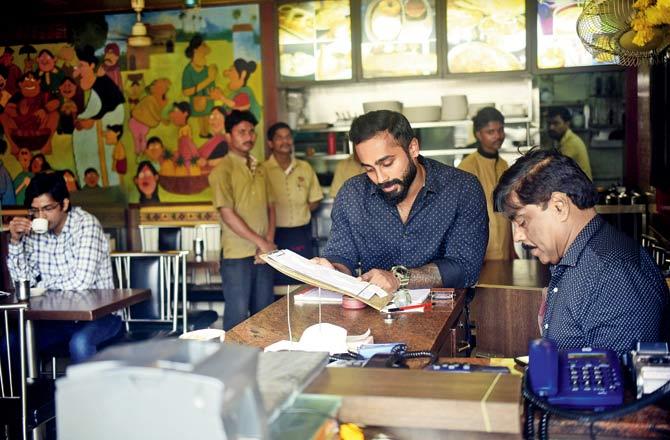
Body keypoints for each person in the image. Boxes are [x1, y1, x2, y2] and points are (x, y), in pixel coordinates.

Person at [493, 149, 668, 355]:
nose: (517, 236)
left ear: (559, 206)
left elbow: (613, 383)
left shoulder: (613, 275)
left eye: (522, 221)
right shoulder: (575, 258)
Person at [314, 110, 488, 293]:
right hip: (375, 316)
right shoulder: (352, 194)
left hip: (444, 313)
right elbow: (341, 255)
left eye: (387, 163)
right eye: (369, 169)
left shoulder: (462, 188)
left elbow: (465, 267)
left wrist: (398, 278)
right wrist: (332, 271)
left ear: (412, 148)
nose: (381, 178)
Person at [7, 173, 122, 362]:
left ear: (65, 204)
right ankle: (26, 393)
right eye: (35, 211)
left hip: (101, 317)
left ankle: (84, 393)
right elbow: (23, 285)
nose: (40, 216)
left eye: (47, 208)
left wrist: (43, 285)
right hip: (57, 320)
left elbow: (81, 281)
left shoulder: (86, 225)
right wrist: (16, 242)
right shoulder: (35, 232)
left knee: (80, 344)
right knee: (10, 344)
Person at [208, 110, 276, 330]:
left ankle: (265, 363)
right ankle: (234, 363)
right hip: (237, 255)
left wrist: (267, 242)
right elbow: (227, 213)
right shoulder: (222, 170)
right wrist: (261, 242)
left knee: (265, 313)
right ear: (228, 136)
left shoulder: (261, 167)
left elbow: (271, 207)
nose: (248, 137)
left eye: (251, 131)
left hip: (263, 254)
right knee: (237, 315)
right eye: (241, 132)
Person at [261, 122, 323, 284]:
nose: (285, 141)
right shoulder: (262, 170)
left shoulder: (305, 167)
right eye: (279, 138)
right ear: (270, 143)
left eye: (288, 137)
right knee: (276, 284)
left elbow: (316, 198)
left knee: (303, 282)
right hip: (274, 235)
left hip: (301, 234)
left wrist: (301, 212)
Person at [458, 107, 514, 260]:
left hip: (505, 253)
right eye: (491, 132)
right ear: (478, 134)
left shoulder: (503, 165)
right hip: (480, 256)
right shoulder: (467, 167)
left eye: (500, 130)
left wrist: (511, 250)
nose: (498, 136)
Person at [547, 106, 592, 179]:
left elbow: (558, 171)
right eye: (549, 123)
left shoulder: (571, 143)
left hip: (580, 189)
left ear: (567, 124)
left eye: (556, 123)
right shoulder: (563, 141)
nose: (551, 127)